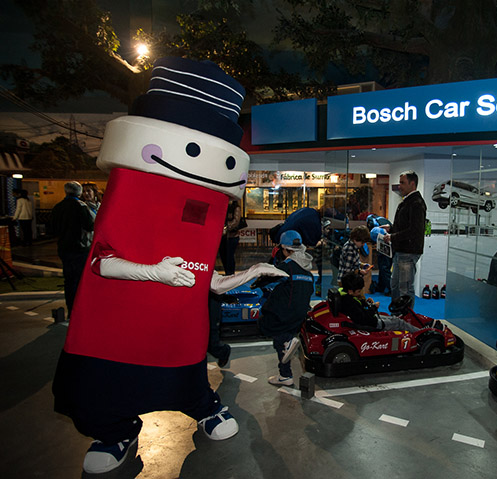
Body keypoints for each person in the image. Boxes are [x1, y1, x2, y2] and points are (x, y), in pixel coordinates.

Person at [51, 58, 288, 474]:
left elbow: (204, 278)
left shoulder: (208, 201)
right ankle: (115, 431)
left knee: (184, 369)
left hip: (176, 324)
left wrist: (248, 274)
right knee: (104, 384)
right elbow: (103, 262)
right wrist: (152, 271)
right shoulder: (135, 187)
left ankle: (203, 405)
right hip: (115, 320)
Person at [259, 230, 314, 387]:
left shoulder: (286, 266)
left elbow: (265, 280)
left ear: (284, 249)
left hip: (285, 312)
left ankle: (288, 343)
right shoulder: (307, 268)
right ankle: (285, 375)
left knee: (267, 325)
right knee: (282, 344)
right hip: (300, 313)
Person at [383, 170, 427, 309]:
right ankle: (397, 314)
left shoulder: (416, 203)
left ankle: (406, 317)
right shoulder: (408, 201)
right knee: (395, 285)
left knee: (405, 288)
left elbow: (415, 230)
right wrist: (391, 228)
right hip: (401, 251)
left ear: (412, 184)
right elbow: (405, 226)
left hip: (408, 252)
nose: (399, 186)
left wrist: (393, 236)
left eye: (402, 183)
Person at [50, 181, 94, 316]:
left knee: (69, 280)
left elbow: (52, 229)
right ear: (79, 192)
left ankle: (71, 308)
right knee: (80, 280)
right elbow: (89, 226)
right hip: (79, 248)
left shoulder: (58, 207)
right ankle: (80, 309)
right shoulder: (81, 206)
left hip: (64, 248)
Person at [337, 272, 424, 332]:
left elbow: (357, 307)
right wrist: (373, 307)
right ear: (350, 291)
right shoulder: (349, 302)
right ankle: (421, 334)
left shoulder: (344, 295)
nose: (359, 293)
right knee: (399, 323)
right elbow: (363, 318)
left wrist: (365, 303)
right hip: (372, 324)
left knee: (394, 318)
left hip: (369, 319)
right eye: (358, 291)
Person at [367, 214, 392, 295]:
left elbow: (373, 234)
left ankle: (390, 289)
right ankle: (381, 287)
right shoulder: (383, 220)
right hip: (391, 244)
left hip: (384, 245)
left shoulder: (371, 222)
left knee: (384, 267)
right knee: (384, 267)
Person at [219, 200, 243, 275]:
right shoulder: (223, 206)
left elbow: (236, 221)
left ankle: (230, 273)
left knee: (229, 256)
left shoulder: (235, 208)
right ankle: (227, 272)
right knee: (223, 255)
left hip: (232, 236)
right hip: (223, 236)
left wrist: (226, 227)